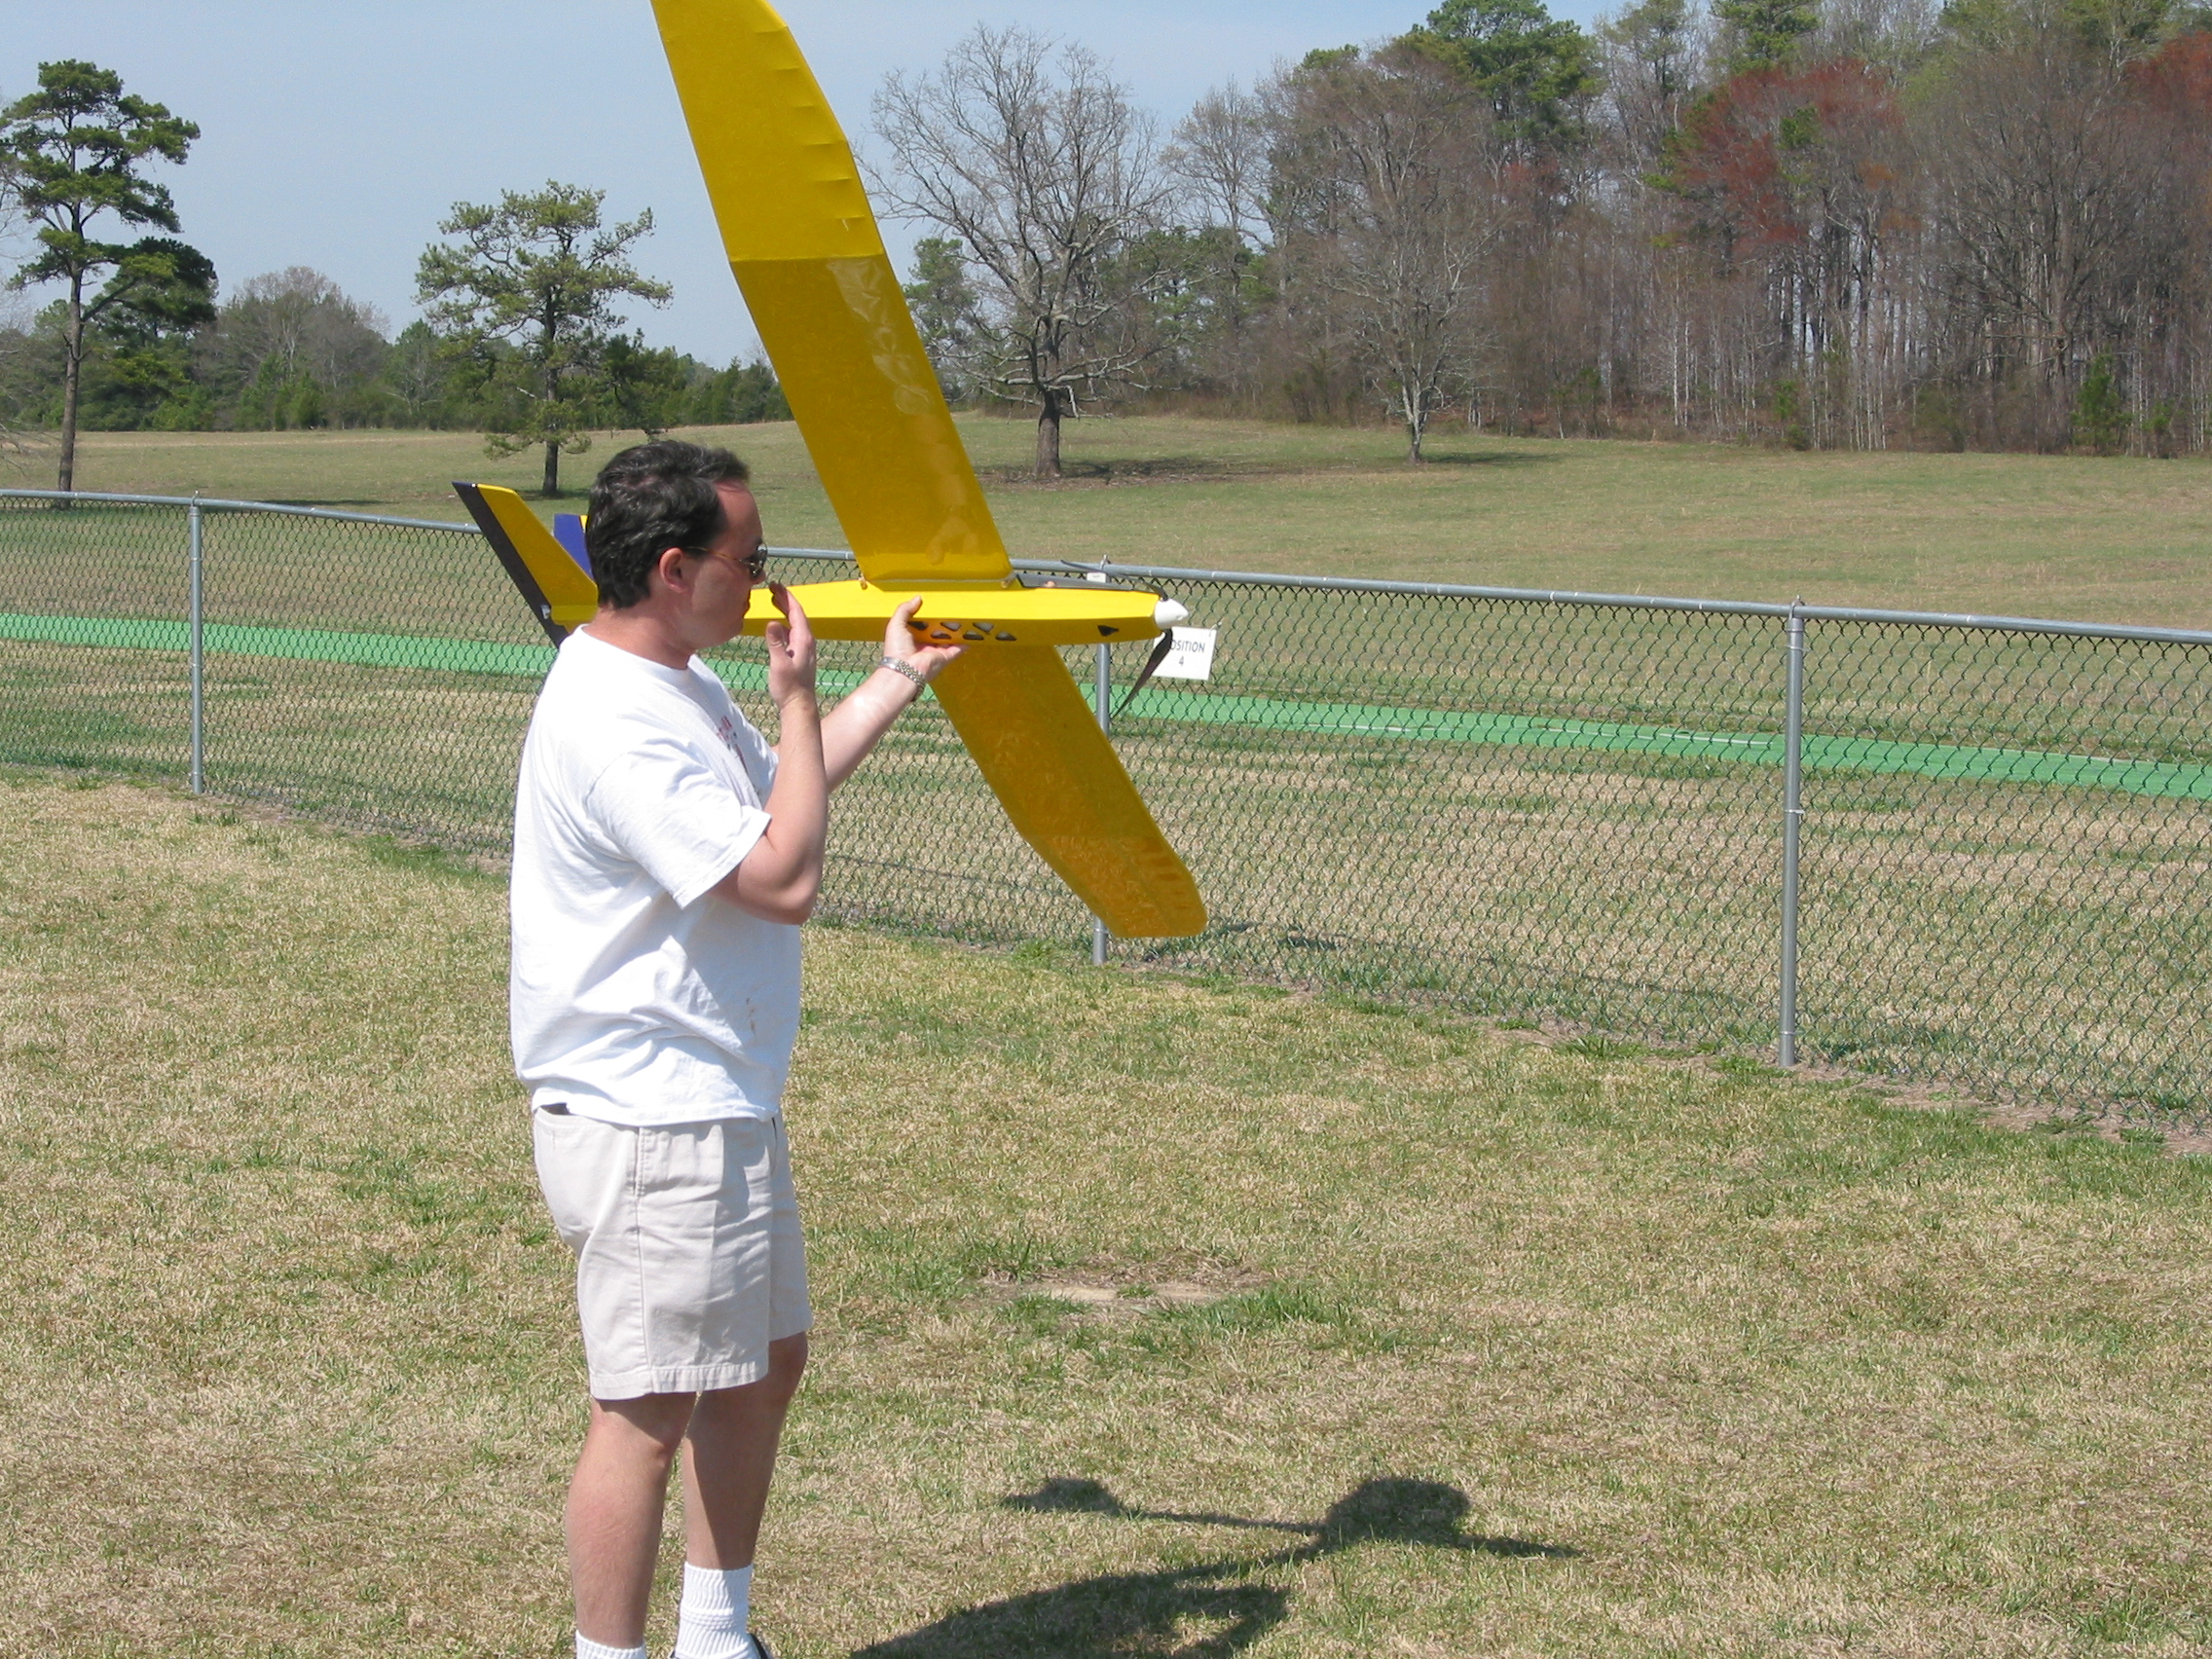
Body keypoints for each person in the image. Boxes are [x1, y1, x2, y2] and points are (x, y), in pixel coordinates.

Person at [510, 439, 961, 1659]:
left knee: (762, 1365)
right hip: (652, 1113)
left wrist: (891, 682)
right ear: (672, 569)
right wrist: (802, 691)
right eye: (749, 559)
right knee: (645, 1412)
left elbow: (776, 795)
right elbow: (784, 874)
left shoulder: (674, 675)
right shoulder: (616, 720)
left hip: (714, 1096)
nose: (767, 581)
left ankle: (718, 1636)